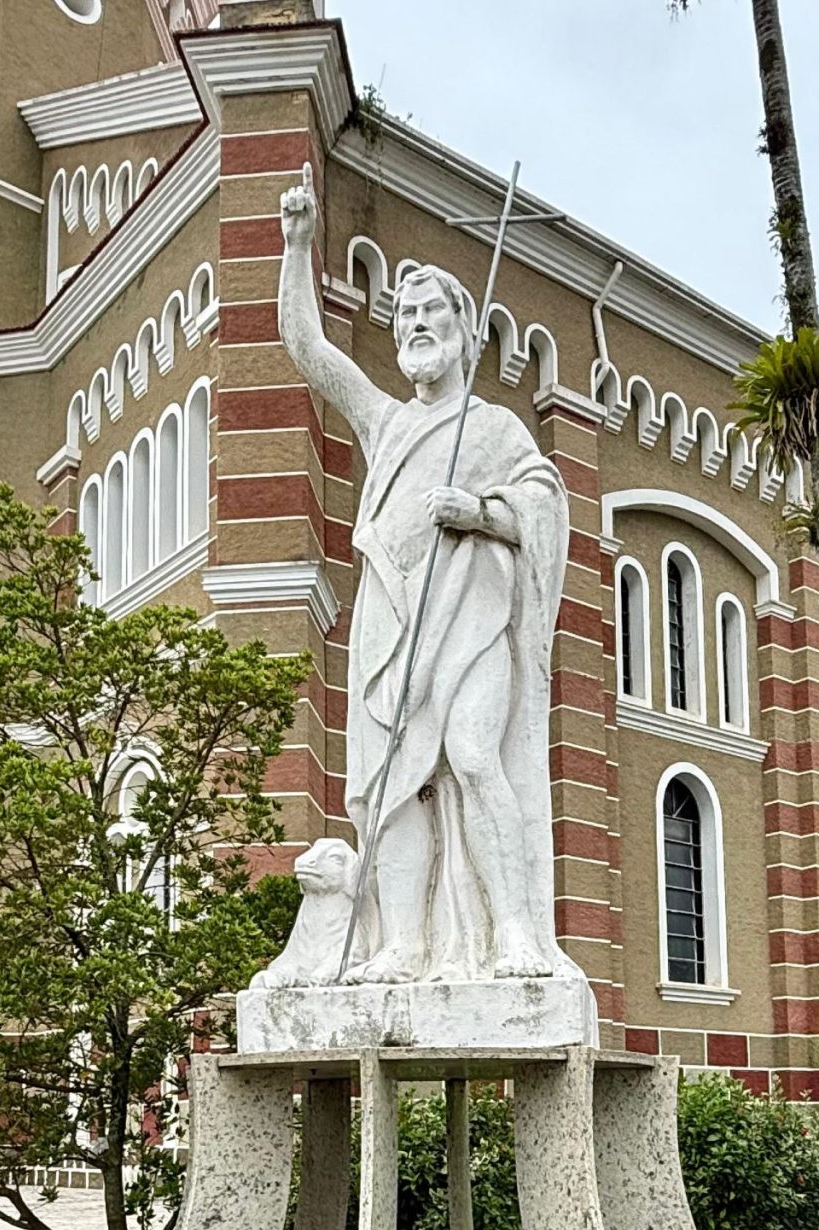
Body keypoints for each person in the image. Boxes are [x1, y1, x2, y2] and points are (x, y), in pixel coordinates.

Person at [273, 164, 577, 985]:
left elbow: (544, 508)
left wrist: (479, 512)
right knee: (390, 790)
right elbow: (308, 349)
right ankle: (404, 944)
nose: (414, 324)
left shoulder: (495, 428)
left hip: (470, 620)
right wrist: (297, 244)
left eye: (430, 311)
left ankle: (515, 935)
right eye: (405, 314)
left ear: (463, 329)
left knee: (475, 756)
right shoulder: (387, 421)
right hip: (390, 621)